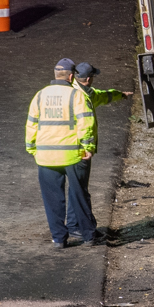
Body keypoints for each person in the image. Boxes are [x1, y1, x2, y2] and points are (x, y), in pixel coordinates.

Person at [25, 58, 97, 248]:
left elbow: (31, 124)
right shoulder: (76, 96)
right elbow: (85, 124)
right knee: (79, 195)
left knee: (53, 200)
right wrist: (88, 147)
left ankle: (58, 239)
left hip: (46, 157)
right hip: (73, 156)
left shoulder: (40, 96)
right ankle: (88, 237)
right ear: (71, 76)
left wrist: (32, 148)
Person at [67, 62, 133, 241]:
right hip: (78, 149)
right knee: (80, 190)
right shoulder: (81, 97)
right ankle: (81, 228)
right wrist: (88, 148)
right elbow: (87, 124)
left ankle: (73, 225)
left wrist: (121, 95)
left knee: (77, 188)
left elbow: (103, 96)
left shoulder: (82, 92)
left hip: (72, 148)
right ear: (89, 79)